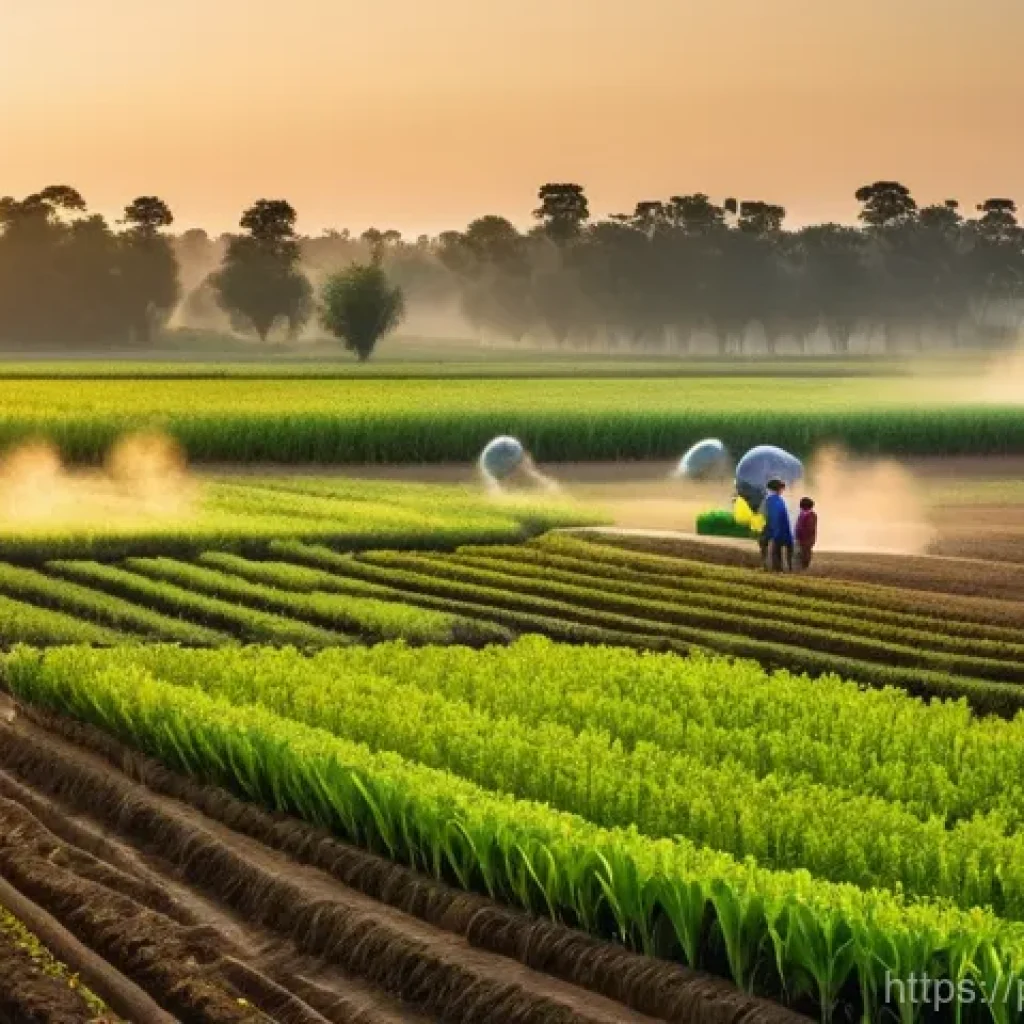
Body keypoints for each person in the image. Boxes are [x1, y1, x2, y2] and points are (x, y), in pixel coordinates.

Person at [762, 479, 793, 571]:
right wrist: (776, 532)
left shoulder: (774, 499)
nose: (782, 491)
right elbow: (775, 517)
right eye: (781, 488)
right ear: (777, 489)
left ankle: (777, 569)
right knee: (776, 552)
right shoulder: (774, 500)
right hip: (778, 531)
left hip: (778, 530)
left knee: (777, 552)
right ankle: (777, 570)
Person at [795, 496, 818, 570]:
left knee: (806, 553)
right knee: (801, 553)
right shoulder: (802, 514)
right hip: (802, 538)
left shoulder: (811, 515)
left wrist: (800, 534)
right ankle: (801, 566)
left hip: (807, 539)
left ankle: (804, 567)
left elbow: (809, 528)